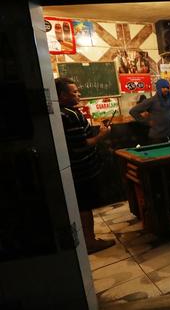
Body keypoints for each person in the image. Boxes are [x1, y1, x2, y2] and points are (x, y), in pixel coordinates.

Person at [55, 77, 115, 254]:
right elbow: (81, 145)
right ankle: (89, 242)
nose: (78, 94)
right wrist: (102, 135)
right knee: (85, 206)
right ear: (62, 95)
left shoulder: (62, 112)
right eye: (74, 92)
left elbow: (78, 139)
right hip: (83, 170)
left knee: (83, 205)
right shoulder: (70, 114)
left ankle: (87, 239)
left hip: (76, 169)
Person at [129, 77, 170, 144]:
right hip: (157, 138)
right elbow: (133, 111)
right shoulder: (151, 101)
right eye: (163, 87)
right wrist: (147, 122)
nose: (166, 89)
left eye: (167, 87)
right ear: (158, 89)